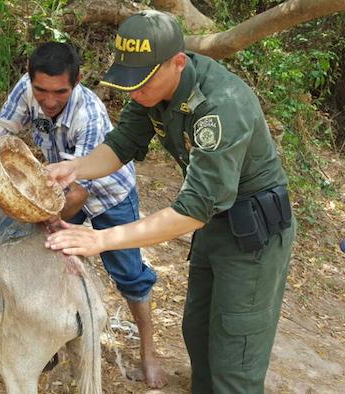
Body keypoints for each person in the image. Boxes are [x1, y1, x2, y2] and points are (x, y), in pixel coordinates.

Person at [44, 11, 296, 393]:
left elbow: (193, 208)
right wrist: (75, 167)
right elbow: (121, 145)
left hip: (253, 236)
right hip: (215, 223)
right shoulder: (150, 89)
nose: (134, 92)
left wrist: (101, 239)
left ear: (178, 63)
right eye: (129, 82)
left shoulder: (220, 107)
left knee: (235, 355)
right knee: (197, 331)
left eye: (142, 82)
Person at [0, 42, 168, 388]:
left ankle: (149, 351)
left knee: (129, 273)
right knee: (44, 257)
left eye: (59, 92)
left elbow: (81, 191)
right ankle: (50, 337)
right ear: (31, 81)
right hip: (54, 186)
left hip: (107, 191)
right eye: (42, 91)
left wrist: (48, 215)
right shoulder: (26, 90)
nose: (49, 101)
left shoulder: (89, 115)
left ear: (77, 81)